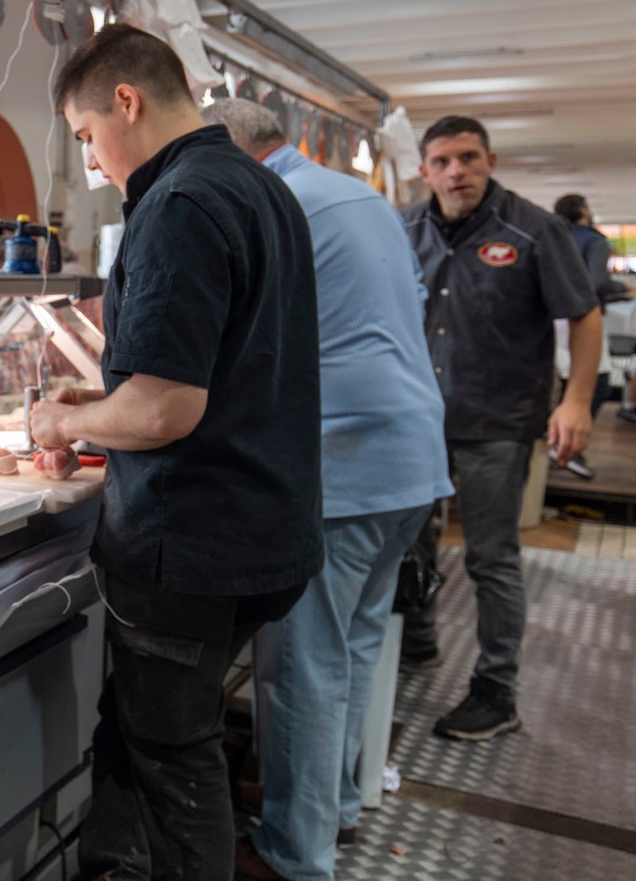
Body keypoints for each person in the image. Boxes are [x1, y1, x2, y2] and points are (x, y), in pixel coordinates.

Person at [29, 27, 323, 881]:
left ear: (128, 101)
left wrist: (64, 426)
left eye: (86, 135)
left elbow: (164, 410)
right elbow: (224, 365)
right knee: (136, 727)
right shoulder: (260, 188)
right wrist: (104, 400)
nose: (89, 160)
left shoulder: (180, 202)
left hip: (191, 544)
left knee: (173, 760)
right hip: (266, 526)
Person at [204, 100, 452, 881]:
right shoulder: (359, 196)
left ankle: (295, 852)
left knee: (303, 664)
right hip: (411, 455)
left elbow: (237, 344)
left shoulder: (273, 204)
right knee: (354, 645)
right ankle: (337, 806)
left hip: (345, 462)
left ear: (236, 153)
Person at [401, 116, 600, 740]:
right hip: (416, 419)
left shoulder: (533, 230)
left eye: (467, 158)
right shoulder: (404, 228)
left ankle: (497, 691)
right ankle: (417, 639)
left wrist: (577, 403)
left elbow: (586, 316)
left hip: (497, 421)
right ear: (425, 169)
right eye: (442, 161)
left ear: (490, 159)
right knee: (410, 542)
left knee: (492, 559)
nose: (456, 171)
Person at [552, 194, 627, 476]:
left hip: (552, 317)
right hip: (581, 319)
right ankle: (567, 447)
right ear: (583, 210)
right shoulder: (594, 241)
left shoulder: (555, 236)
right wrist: (621, 290)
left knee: (564, 382)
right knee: (599, 384)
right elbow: (595, 284)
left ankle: (557, 442)